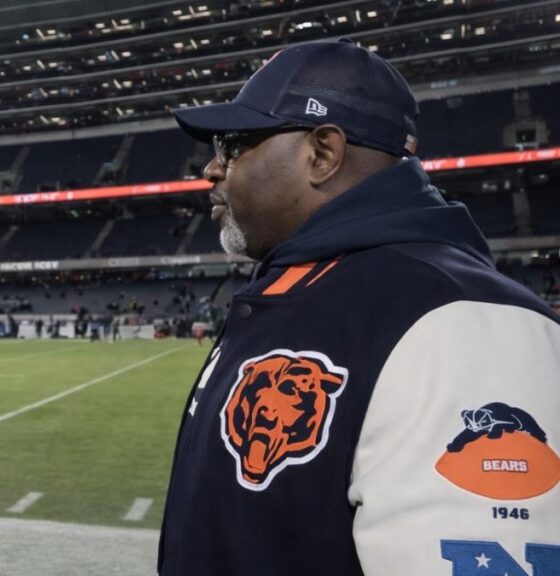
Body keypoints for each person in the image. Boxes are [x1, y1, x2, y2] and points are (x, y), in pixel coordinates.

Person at [158, 38, 560, 575]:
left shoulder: (463, 322)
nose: (211, 168)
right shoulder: (309, 287)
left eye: (233, 145)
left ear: (323, 153)